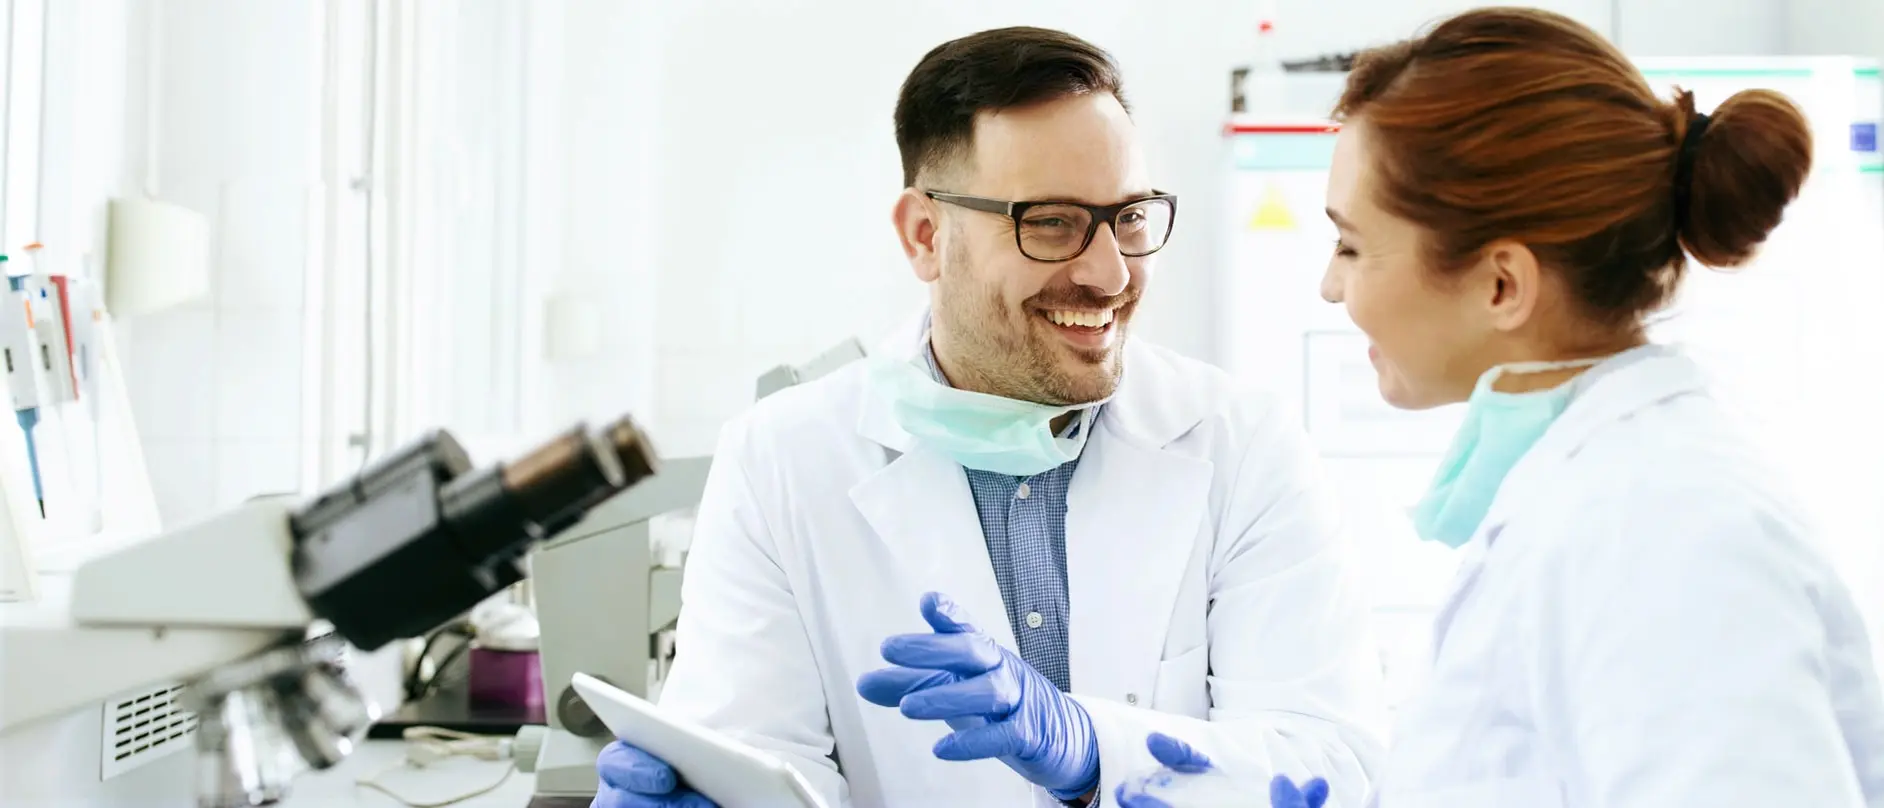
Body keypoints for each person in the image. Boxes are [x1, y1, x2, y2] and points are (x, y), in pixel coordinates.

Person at [591, 25, 1388, 808]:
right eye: (1050, 223)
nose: (1110, 273)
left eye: (1132, 216)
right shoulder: (782, 459)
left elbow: (1327, 763)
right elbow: (762, 762)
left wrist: (1092, 751)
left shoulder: (1243, 444)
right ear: (925, 235)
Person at [1114, 7, 1884, 808]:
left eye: (1351, 245)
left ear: (1501, 286)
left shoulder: (1661, 523)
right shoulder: (1599, 497)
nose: (1330, 286)